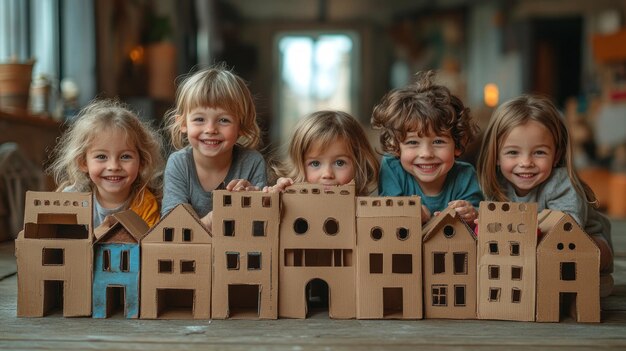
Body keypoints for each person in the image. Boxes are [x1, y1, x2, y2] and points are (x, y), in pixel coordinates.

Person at [476, 94, 614, 296]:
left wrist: (516, 227)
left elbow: (568, 229)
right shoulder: (497, 184)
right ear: (496, 155)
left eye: (539, 152)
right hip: (532, 251)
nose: (526, 162)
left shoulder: (561, 183)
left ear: (556, 155)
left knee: (579, 249)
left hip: (583, 240)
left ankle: (586, 282)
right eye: (513, 153)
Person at [161, 65, 266, 231]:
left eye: (224, 120)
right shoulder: (179, 163)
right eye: (199, 119)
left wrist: (253, 203)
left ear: (241, 126)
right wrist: (214, 219)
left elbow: (262, 228)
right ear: (182, 124)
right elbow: (171, 227)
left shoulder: (252, 162)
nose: (210, 129)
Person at [371, 70, 482, 224]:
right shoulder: (392, 167)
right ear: (396, 147)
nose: (426, 154)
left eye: (438, 142)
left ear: (458, 145)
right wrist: (411, 213)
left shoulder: (465, 175)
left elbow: (480, 217)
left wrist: (472, 213)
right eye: (412, 142)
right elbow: (389, 214)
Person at [47, 99, 164, 228]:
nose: (113, 167)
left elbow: (148, 246)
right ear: (83, 162)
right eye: (101, 157)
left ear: (142, 161)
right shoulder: (72, 200)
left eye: (125, 156)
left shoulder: (146, 204)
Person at [266, 110, 379, 196]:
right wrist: (277, 199)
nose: (327, 174)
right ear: (299, 166)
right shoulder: (291, 198)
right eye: (315, 163)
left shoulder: (365, 207)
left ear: (359, 164)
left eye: (340, 163)